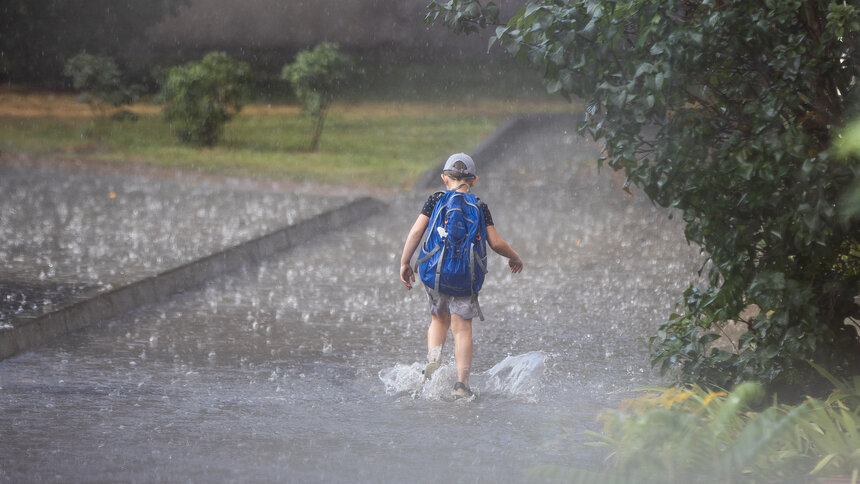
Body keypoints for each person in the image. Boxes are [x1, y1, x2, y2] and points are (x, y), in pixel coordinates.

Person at [399, 153, 523, 398]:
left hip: (435, 273)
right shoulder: (479, 206)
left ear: (445, 178)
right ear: (474, 180)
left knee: (438, 320)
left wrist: (405, 262)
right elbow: (496, 243)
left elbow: (416, 232)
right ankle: (461, 385)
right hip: (466, 278)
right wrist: (515, 257)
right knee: (462, 328)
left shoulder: (435, 200)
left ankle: (433, 361)